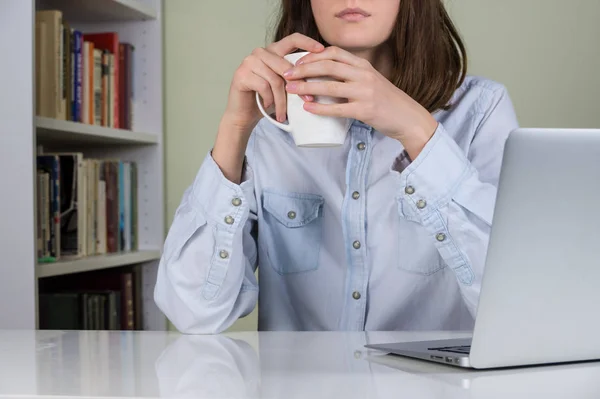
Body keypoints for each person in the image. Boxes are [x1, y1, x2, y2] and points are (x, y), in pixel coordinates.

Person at [154, 0, 519, 334]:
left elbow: (513, 303)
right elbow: (193, 313)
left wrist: (418, 133)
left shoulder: (480, 110)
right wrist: (235, 127)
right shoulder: (268, 121)